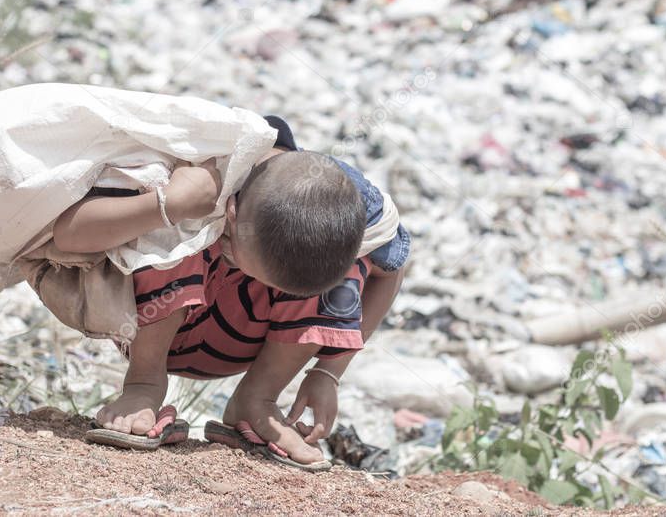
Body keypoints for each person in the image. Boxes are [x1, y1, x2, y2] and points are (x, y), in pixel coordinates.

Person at [52, 114, 409, 468]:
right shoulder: (198, 165)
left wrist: (328, 372)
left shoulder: (352, 202)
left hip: (251, 346)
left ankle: (258, 400)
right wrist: (169, 205)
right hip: (148, 324)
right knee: (182, 225)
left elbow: (393, 268)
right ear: (233, 213)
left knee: (343, 258)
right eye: (243, 260)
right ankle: (143, 386)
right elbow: (66, 235)